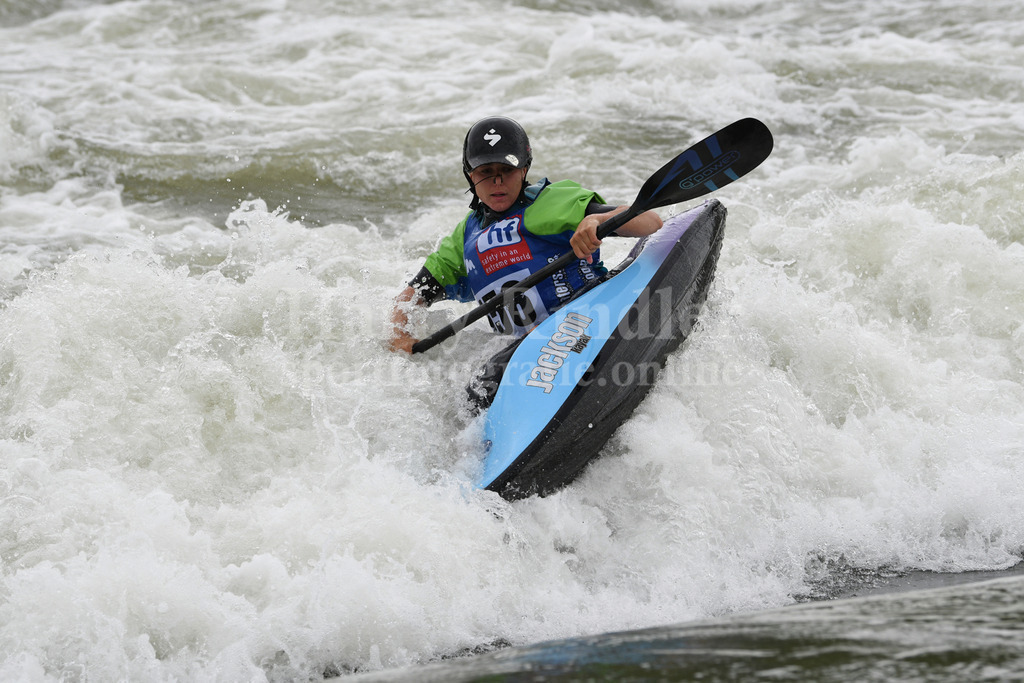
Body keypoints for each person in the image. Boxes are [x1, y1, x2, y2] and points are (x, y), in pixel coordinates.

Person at [389, 116, 663, 357]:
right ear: (470, 175)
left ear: (524, 170)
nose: (498, 181)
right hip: (528, 354)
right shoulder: (464, 238)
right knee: (481, 384)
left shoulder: (553, 202)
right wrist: (400, 335)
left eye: (507, 171)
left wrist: (596, 220)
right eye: (486, 172)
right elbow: (412, 297)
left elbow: (650, 221)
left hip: (591, 321)